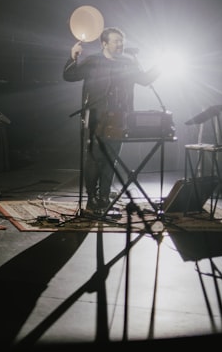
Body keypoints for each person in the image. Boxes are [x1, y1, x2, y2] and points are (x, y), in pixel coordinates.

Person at [62, 26, 160, 215]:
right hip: (96, 116)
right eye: (116, 41)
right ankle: (91, 200)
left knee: (111, 160)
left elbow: (145, 79)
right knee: (94, 159)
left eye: (121, 41)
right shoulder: (93, 61)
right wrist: (73, 57)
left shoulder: (129, 63)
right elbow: (69, 76)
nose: (120, 44)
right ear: (104, 43)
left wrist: (162, 64)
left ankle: (104, 199)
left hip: (120, 117)